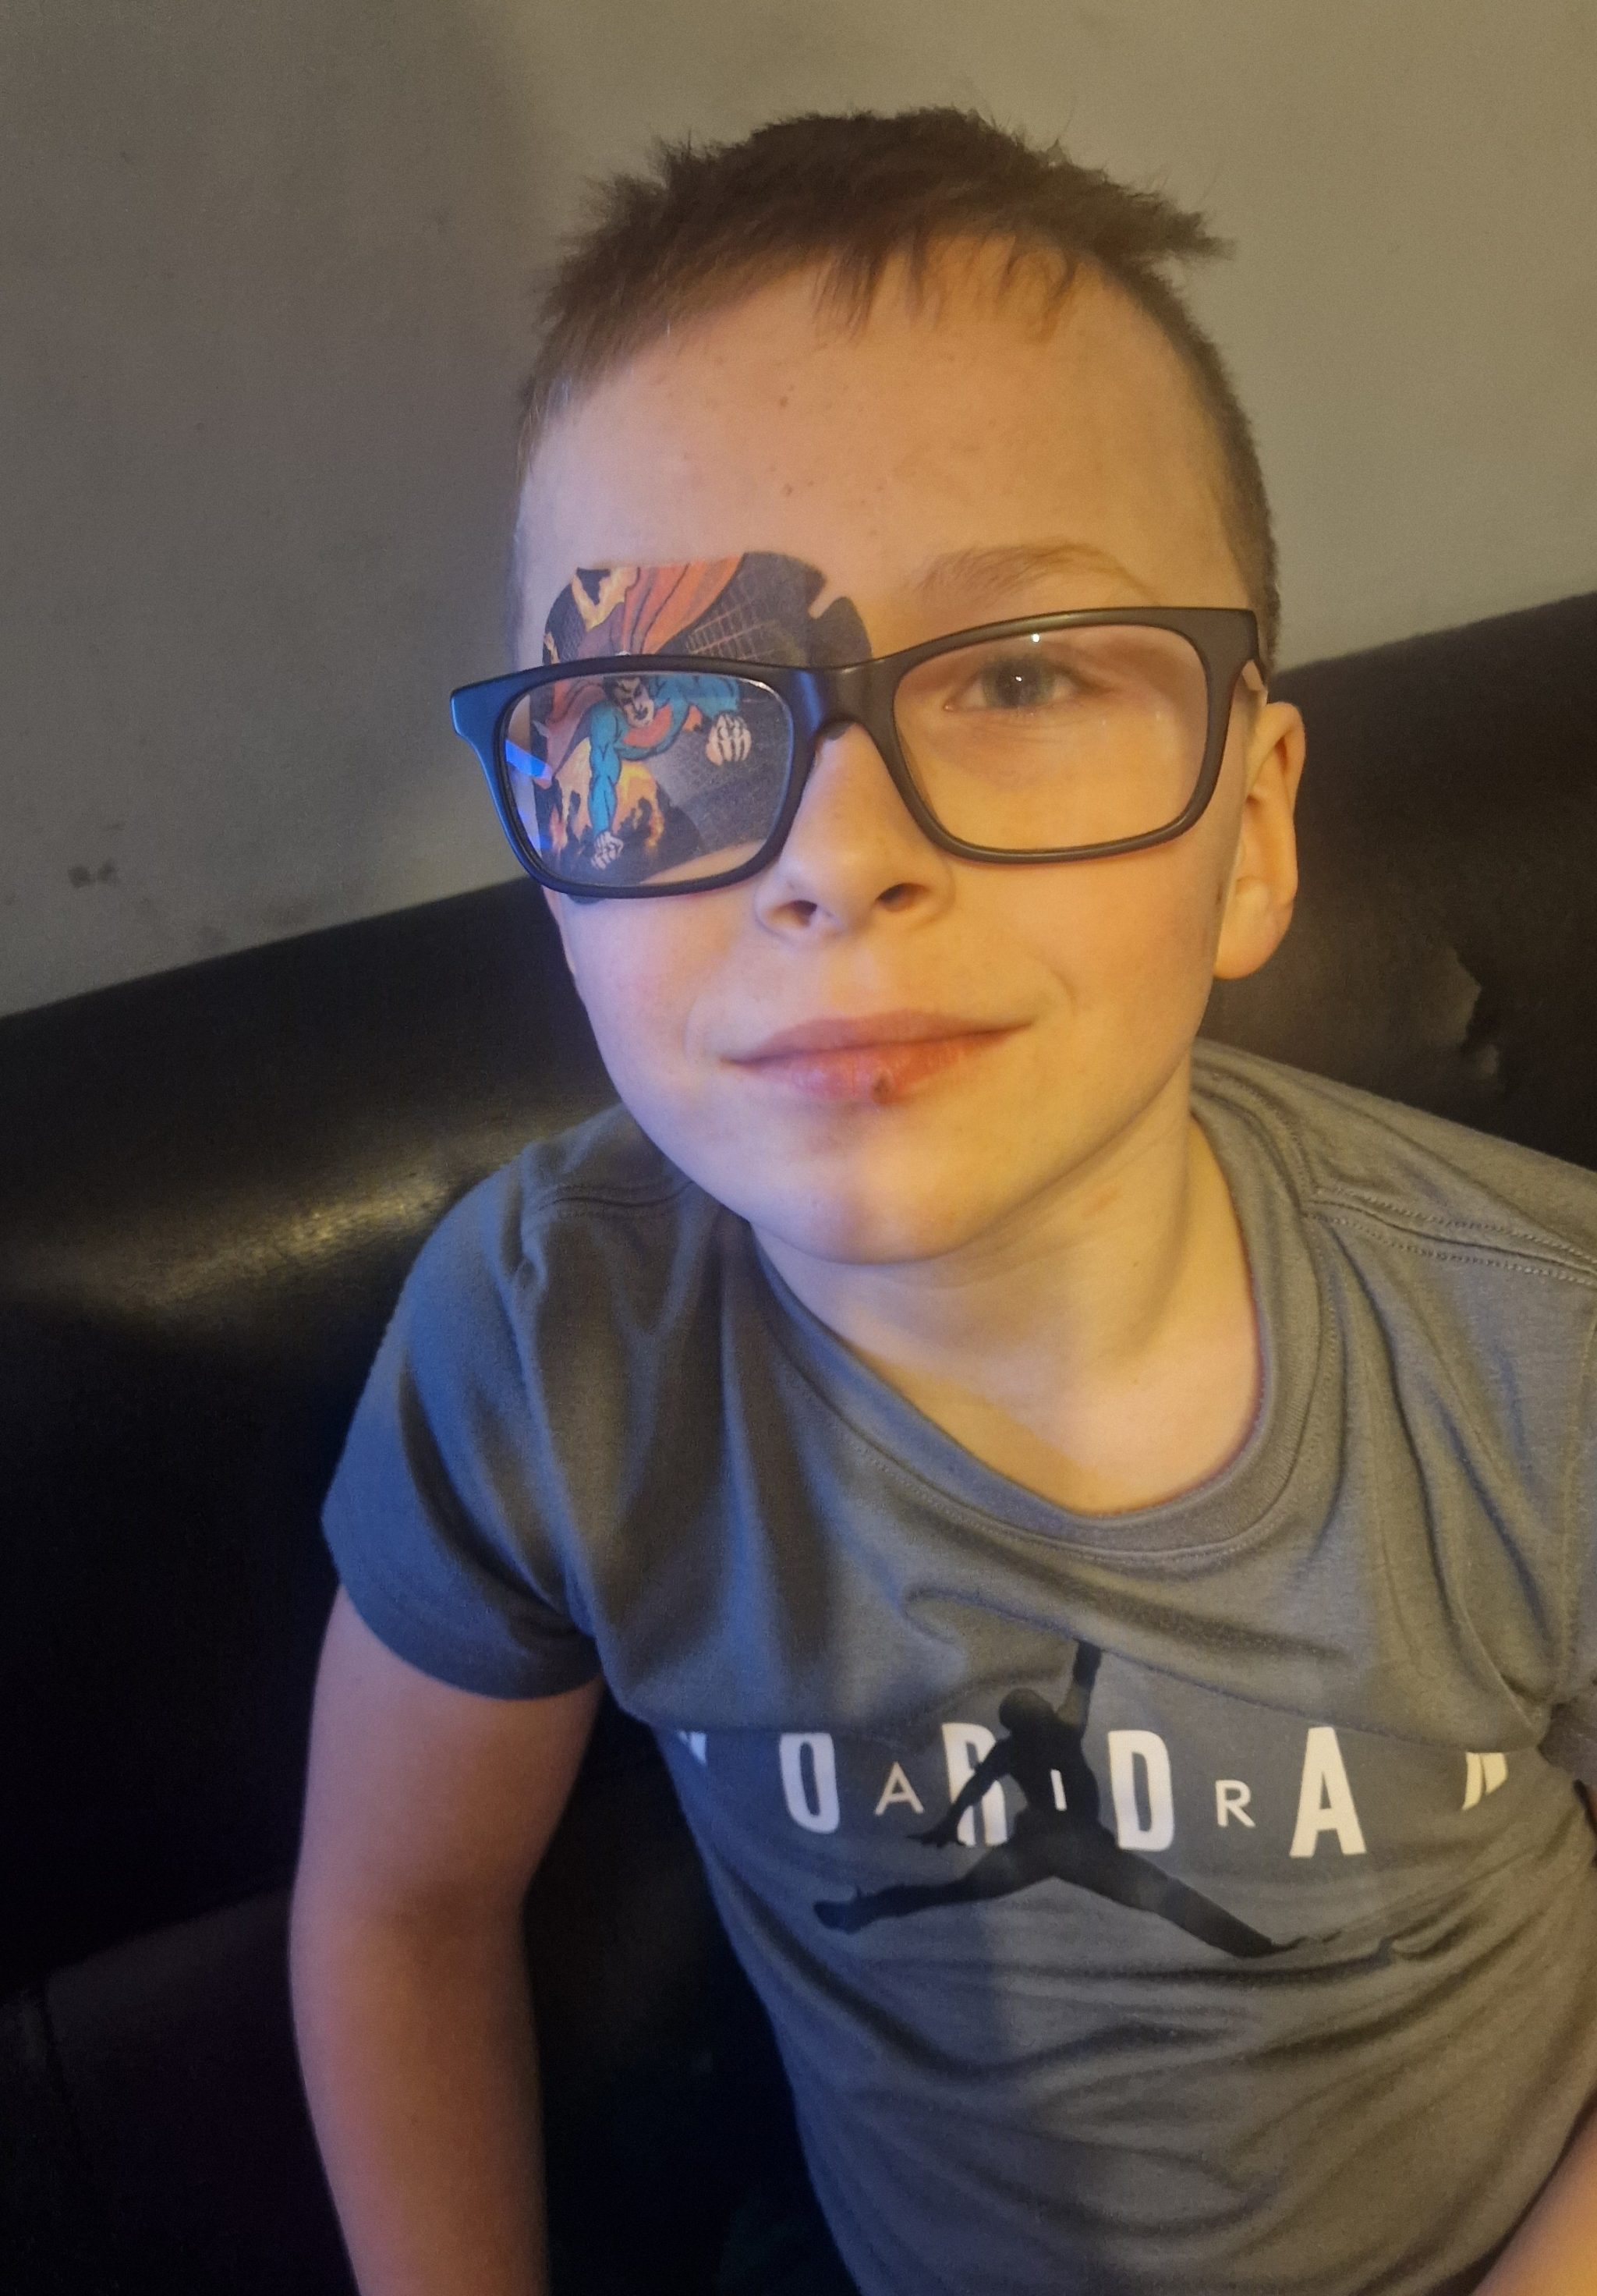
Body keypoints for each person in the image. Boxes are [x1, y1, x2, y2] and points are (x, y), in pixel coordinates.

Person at [286, 107, 1597, 2296]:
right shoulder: (543, 1342)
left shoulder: (1544, 1358)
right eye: (666, 713)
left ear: (1255, 829)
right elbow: (400, 1914)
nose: (838, 853)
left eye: (1019, 675)